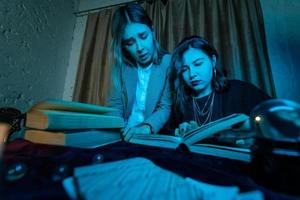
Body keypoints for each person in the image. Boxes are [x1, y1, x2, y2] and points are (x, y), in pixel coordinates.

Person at [170, 36, 271, 135]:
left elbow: (278, 116)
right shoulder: (179, 105)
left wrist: (252, 126)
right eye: (184, 69)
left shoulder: (240, 90)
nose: (192, 74)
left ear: (213, 61)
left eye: (198, 64)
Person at [107, 3, 172, 141]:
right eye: (130, 43)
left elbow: (165, 107)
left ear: (152, 31)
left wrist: (145, 128)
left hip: (150, 135)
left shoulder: (168, 63)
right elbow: (115, 106)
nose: (140, 48)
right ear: (123, 46)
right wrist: (116, 130)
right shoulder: (121, 68)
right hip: (123, 135)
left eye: (143, 36)